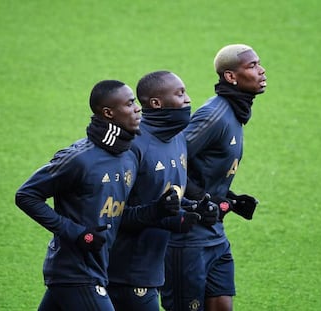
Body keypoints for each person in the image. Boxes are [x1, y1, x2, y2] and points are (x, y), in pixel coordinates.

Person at [15, 80, 180, 311]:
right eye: (130, 103)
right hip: (76, 271)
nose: (137, 108)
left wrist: (157, 210)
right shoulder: (79, 159)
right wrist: (78, 233)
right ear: (108, 113)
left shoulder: (128, 156)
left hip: (97, 268)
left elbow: (119, 213)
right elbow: (26, 195)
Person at [161, 44, 267, 311]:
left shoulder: (235, 112)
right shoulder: (215, 115)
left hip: (214, 234)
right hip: (188, 238)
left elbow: (202, 166)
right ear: (231, 77)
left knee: (222, 305)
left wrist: (230, 198)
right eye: (252, 66)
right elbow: (171, 161)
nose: (262, 71)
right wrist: (202, 198)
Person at [107, 71, 217, 311]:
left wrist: (196, 210)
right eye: (180, 94)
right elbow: (111, 214)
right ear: (156, 103)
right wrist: (164, 216)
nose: (188, 99)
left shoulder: (178, 138)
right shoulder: (133, 146)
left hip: (151, 269)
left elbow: (166, 198)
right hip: (124, 272)